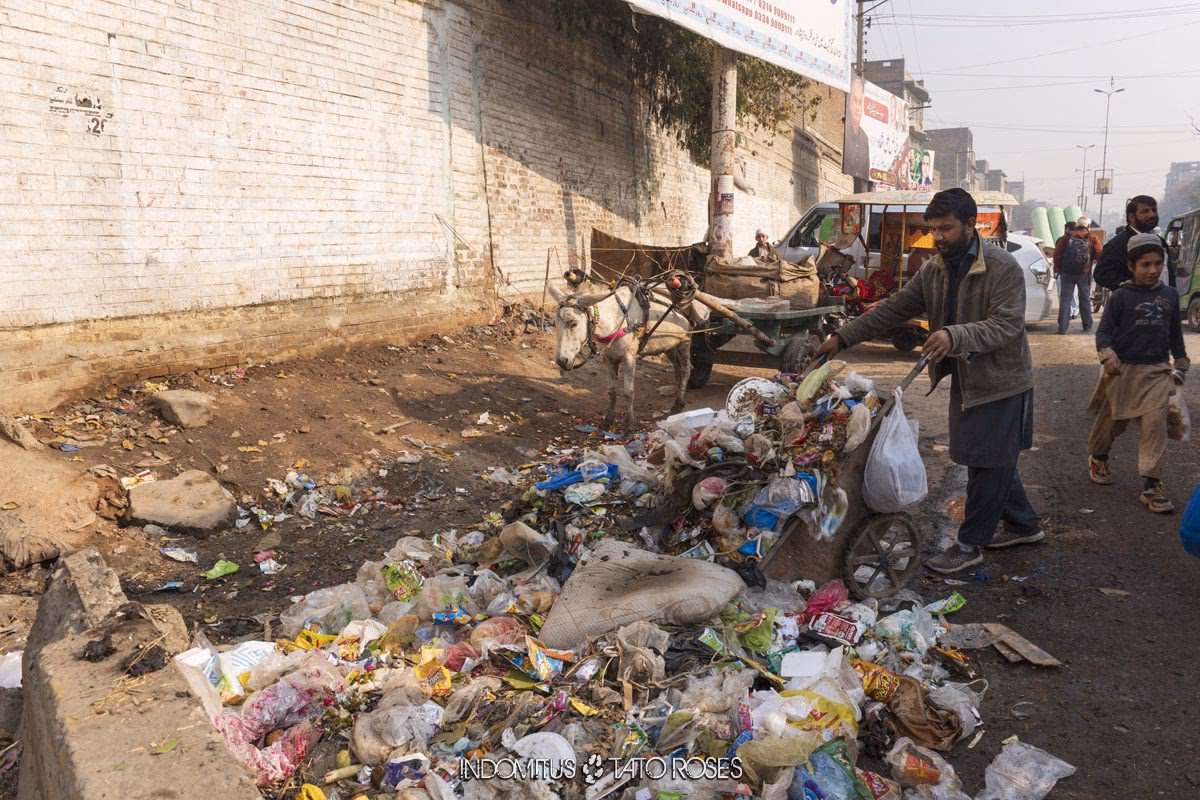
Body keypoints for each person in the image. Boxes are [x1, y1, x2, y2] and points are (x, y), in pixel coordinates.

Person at [814, 188, 1042, 574]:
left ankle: (970, 545)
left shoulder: (1002, 267)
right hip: (967, 380)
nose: (937, 237)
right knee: (986, 456)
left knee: (989, 461)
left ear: (972, 225)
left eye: (946, 229)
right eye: (933, 229)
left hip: (1003, 381)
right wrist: (843, 337)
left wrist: (954, 335)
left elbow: (1006, 325)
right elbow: (893, 309)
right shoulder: (934, 270)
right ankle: (1024, 524)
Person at [1086, 233, 1189, 512]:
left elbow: (1174, 334)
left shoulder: (1168, 295)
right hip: (1122, 371)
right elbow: (1104, 332)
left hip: (1157, 371)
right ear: (1131, 266)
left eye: (1157, 264)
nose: (1153, 270)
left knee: (1155, 427)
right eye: (1145, 264)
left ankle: (1151, 486)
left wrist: (1180, 363)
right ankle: (1098, 457)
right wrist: (1107, 355)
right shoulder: (1121, 297)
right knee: (1112, 423)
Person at [1095, 195, 1170, 291]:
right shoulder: (1117, 244)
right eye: (1145, 211)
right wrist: (1133, 285)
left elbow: (1168, 275)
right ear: (1131, 217)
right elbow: (1101, 274)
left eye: (1154, 210)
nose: (1152, 215)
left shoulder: (1161, 242)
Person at [1052, 216, 1101, 333]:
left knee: (1065, 299)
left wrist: (1060, 270)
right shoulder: (1092, 239)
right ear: (1088, 226)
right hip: (1084, 274)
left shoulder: (1066, 238)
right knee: (1084, 299)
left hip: (1066, 274)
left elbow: (1056, 256)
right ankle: (1087, 326)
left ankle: (1063, 328)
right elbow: (1100, 255)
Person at [842, 76, 871, 180]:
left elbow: (866, 174)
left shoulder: (865, 139)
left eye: (860, 102)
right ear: (849, 102)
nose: (857, 108)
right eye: (855, 101)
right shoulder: (843, 131)